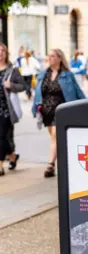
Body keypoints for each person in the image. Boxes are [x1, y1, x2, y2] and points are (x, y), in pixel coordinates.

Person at [32, 48, 86, 178]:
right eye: (48, 56)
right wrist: (36, 107)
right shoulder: (43, 73)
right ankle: (64, 161)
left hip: (61, 110)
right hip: (47, 111)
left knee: (56, 136)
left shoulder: (67, 74)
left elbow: (78, 91)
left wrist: (86, 104)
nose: (49, 58)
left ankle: (50, 165)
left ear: (59, 59)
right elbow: (39, 91)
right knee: (56, 139)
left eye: (52, 56)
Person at [0, 43, 26, 175]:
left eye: (2, 51)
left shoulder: (12, 70)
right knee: (4, 138)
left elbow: (23, 86)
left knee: (1, 136)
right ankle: (12, 156)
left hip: (6, 110)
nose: (0, 53)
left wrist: (11, 85)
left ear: (6, 53)